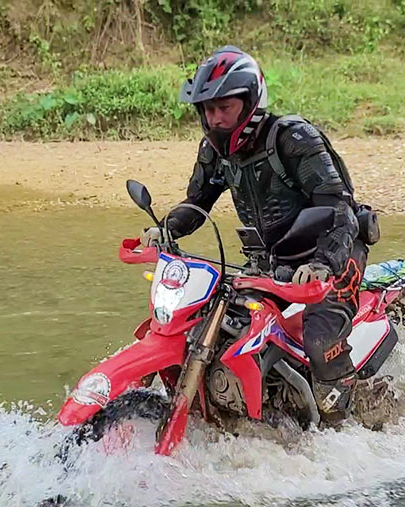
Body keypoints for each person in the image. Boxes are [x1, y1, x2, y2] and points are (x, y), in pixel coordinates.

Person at [141, 46, 371, 427]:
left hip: (332, 256)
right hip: (268, 265)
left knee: (318, 339)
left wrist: (321, 265)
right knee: (211, 323)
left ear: (250, 102)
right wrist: (165, 230)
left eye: (224, 108)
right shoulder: (215, 151)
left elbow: (340, 208)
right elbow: (197, 204)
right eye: (207, 110)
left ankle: (342, 422)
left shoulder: (293, 139)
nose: (214, 119)